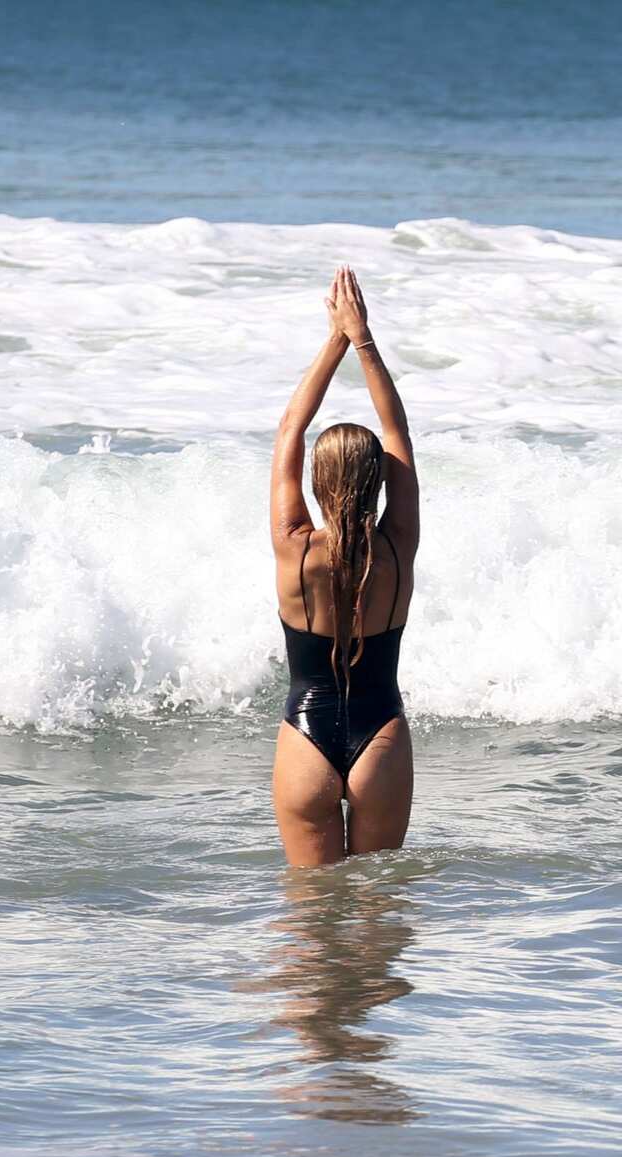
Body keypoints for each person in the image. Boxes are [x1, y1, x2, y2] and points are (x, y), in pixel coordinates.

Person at [269, 267, 419, 866]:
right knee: (378, 906)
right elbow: (396, 430)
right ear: (380, 481)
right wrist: (363, 342)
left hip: (305, 738)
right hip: (380, 736)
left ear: (316, 480)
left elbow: (290, 429)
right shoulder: (397, 547)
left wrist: (334, 340)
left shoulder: (296, 549)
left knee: (311, 908)